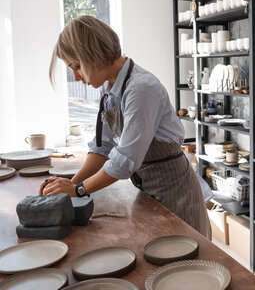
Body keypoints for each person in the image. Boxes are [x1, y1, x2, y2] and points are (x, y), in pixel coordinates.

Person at [41, 15, 212, 239]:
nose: (77, 76)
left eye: (76, 66)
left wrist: (78, 190)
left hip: (175, 191)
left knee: (188, 264)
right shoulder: (109, 90)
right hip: (148, 189)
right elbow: (102, 149)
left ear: (92, 55)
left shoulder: (141, 89)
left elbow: (124, 161)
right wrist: (69, 186)